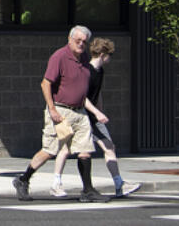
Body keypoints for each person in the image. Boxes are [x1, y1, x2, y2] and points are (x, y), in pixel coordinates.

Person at [11, 25, 104, 202]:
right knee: (50, 150)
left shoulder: (84, 58)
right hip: (61, 110)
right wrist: (52, 109)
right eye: (78, 41)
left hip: (80, 111)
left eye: (84, 42)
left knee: (85, 150)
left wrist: (95, 111)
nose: (81, 44)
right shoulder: (59, 57)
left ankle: (88, 190)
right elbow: (45, 84)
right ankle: (23, 180)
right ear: (69, 39)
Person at [44, 37, 140, 198]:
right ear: (103, 54)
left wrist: (100, 109)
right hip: (82, 115)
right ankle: (56, 183)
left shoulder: (99, 71)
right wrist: (97, 112)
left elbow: (97, 93)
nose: (110, 58)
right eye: (109, 55)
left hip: (92, 116)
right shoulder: (87, 70)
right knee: (65, 149)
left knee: (107, 147)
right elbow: (83, 96)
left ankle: (118, 184)